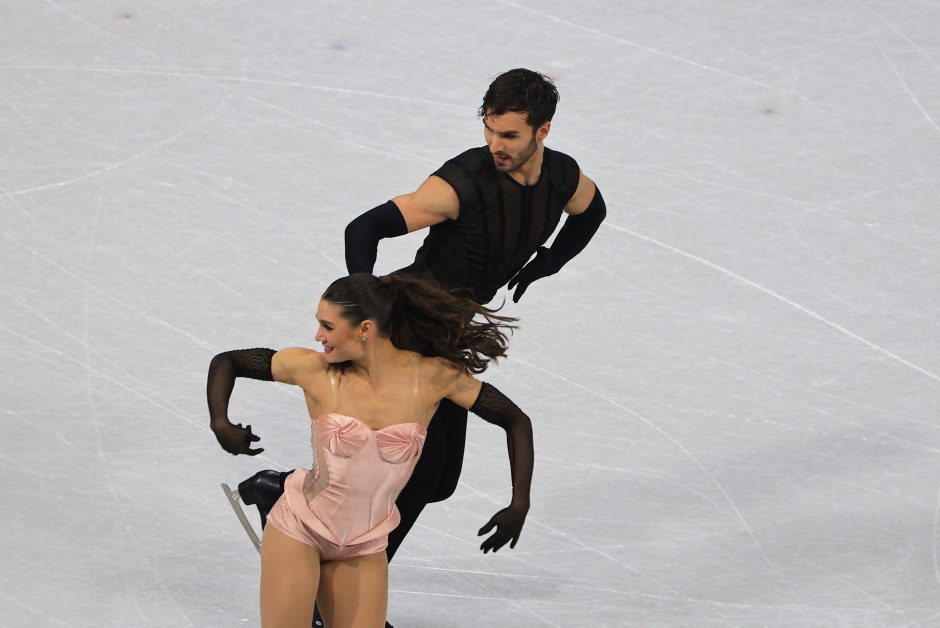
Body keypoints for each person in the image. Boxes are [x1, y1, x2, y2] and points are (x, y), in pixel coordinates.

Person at [237, 68, 605, 622]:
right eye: (489, 131)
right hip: (409, 332)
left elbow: (592, 212)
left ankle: (281, 494)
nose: (495, 145)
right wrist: (369, 310)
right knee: (422, 473)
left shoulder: (562, 177)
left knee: (439, 480)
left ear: (543, 131)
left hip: (449, 338)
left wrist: (549, 262)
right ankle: (334, 579)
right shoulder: (460, 185)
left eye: (509, 135)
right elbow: (363, 229)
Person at [208, 274, 534, 627]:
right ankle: (276, 491)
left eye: (327, 326)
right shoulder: (313, 370)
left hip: (365, 544)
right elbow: (229, 362)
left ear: (364, 328)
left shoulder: (432, 378)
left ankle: (270, 486)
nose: (318, 336)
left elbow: (514, 420)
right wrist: (221, 423)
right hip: (300, 529)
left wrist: (520, 503)